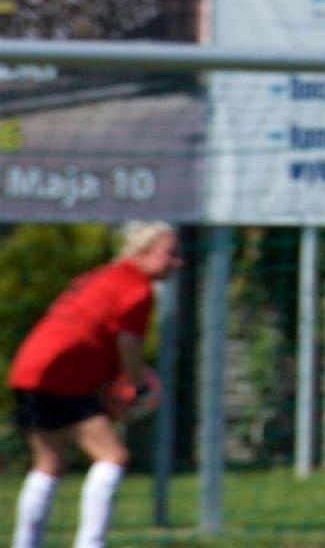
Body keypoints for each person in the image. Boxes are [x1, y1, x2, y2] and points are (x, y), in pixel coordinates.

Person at [8, 221, 183, 548]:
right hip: (62, 376)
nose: (178, 262)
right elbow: (129, 343)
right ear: (143, 253)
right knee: (112, 457)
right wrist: (136, 384)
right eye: (170, 254)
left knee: (49, 464)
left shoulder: (101, 275)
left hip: (29, 368)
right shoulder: (137, 289)